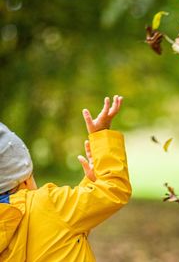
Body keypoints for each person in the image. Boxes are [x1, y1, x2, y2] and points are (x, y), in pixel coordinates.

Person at [0, 95, 132, 261]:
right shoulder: (50, 205)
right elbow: (113, 191)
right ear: (24, 179)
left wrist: (91, 182)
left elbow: (65, 232)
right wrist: (101, 134)